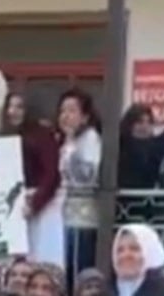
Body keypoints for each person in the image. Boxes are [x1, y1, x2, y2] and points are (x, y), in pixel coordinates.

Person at [1, 93, 63, 265]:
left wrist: (35, 203)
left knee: (40, 258)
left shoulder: (42, 135)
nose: (13, 111)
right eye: (10, 106)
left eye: (19, 107)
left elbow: (52, 174)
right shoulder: (3, 135)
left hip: (39, 204)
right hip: (10, 205)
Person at [58, 89, 103, 269]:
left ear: (84, 117)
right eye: (62, 111)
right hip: (66, 215)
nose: (65, 116)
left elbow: (87, 176)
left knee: (79, 267)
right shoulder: (67, 140)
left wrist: (72, 151)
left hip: (83, 218)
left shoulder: (90, 138)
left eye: (71, 110)